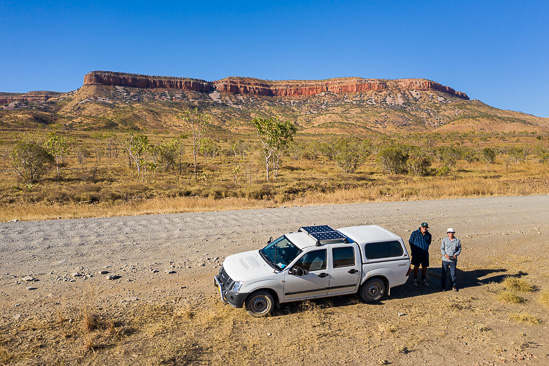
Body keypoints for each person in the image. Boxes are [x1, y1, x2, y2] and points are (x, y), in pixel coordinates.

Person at [409, 222, 432, 287]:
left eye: (426, 227)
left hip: (424, 253)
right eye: (423, 227)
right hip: (416, 253)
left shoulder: (428, 235)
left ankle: (423, 279)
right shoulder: (415, 233)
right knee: (416, 266)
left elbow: (429, 242)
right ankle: (415, 279)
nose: (424, 228)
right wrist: (413, 250)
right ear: (420, 227)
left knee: (424, 266)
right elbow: (411, 241)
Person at [441, 228, 462, 292]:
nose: (451, 233)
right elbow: (442, 248)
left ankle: (453, 285)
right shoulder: (444, 240)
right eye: (449, 232)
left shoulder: (457, 240)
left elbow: (459, 249)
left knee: (453, 273)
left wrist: (456, 254)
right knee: (444, 273)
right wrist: (445, 255)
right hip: (445, 260)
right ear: (447, 233)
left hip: (453, 260)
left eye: (452, 232)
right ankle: (443, 286)